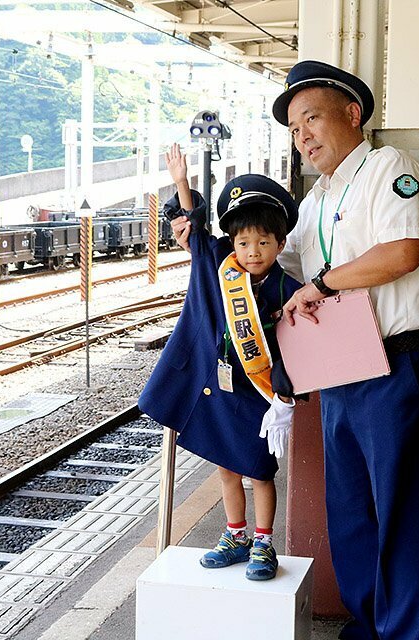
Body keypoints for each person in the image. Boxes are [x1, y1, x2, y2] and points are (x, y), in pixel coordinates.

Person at [271, 60, 419, 639]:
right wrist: (210, 238)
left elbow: (403, 252)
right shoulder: (318, 197)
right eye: (295, 129)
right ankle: (369, 622)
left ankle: (401, 631)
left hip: (402, 359)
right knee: (349, 505)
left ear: (352, 115)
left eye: (312, 119)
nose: (303, 136)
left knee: (401, 504)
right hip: (342, 362)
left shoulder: (390, 168)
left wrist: (323, 285)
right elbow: (282, 261)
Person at [139, 143, 301, 581]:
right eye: (244, 242)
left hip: (259, 395)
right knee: (226, 466)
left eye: (263, 242)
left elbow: (296, 346)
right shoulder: (216, 264)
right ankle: (235, 535)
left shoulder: (289, 288)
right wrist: (181, 184)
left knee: (259, 469)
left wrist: (286, 395)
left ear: (279, 243)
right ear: (232, 242)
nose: (252, 251)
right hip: (218, 387)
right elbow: (192, 229)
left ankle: (264, 543)